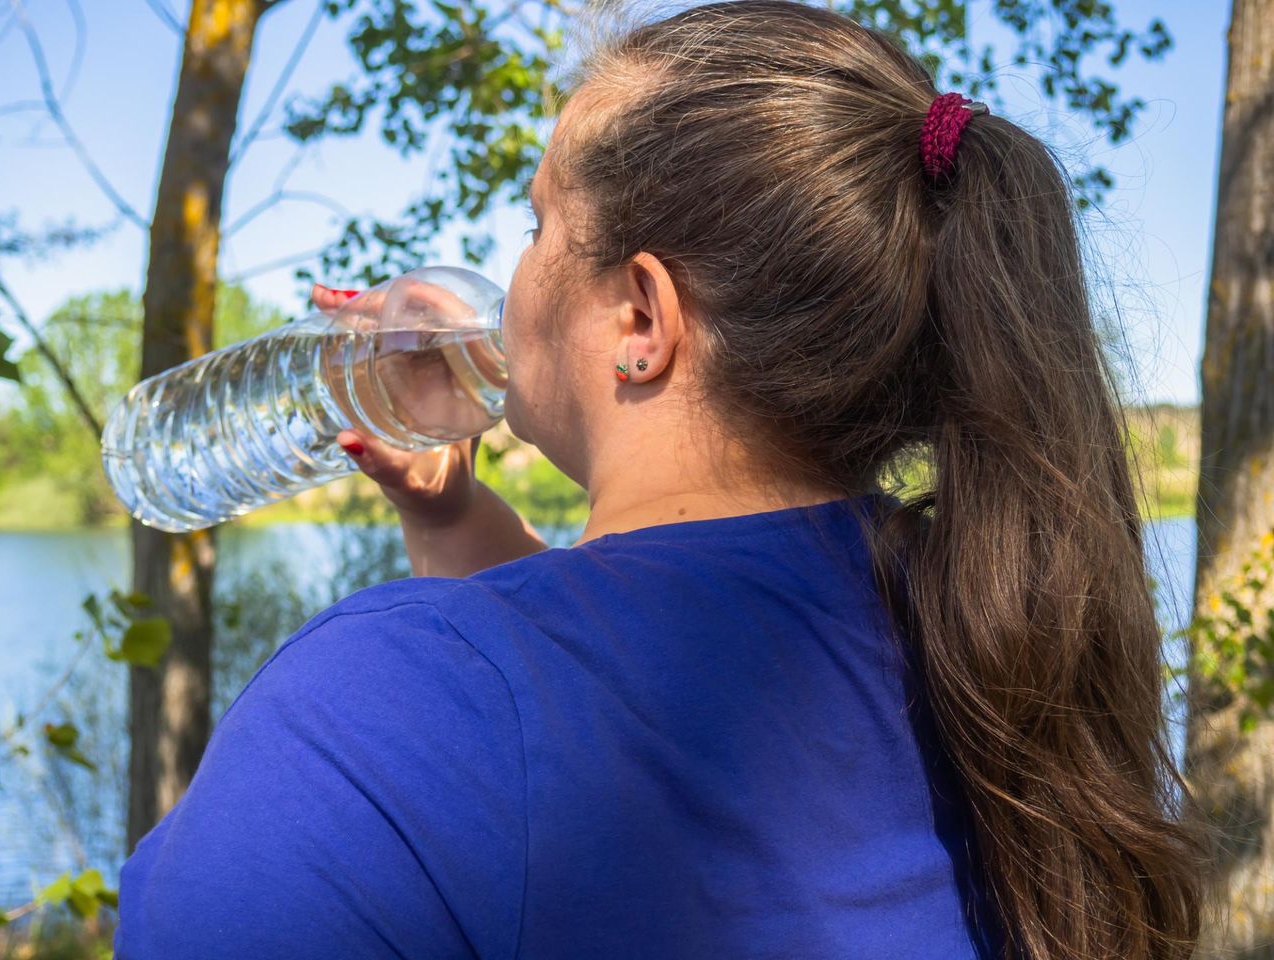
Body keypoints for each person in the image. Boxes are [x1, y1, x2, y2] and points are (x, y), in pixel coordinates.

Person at [113, 1, 1214, 957]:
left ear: (640, 317)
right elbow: (602, 690)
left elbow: (520, 725)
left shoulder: (364, 713)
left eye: (538, 224)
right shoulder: (993, 632)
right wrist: (449, 515)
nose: (509, 274)